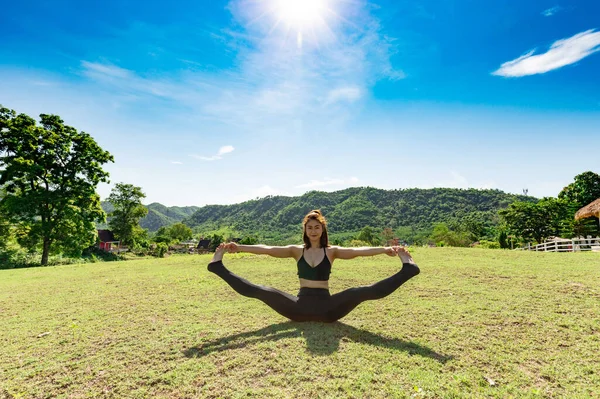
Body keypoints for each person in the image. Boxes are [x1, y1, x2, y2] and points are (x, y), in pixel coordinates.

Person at [207, 210, 420, 322]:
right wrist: (240, 247)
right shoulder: (296, 250)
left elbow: (357, 252)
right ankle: (217, 266)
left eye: (317, 227)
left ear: (322, 229)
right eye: (310, 227)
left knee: (363, 291)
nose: (313, 231)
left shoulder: (332, 251)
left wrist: (384, 250)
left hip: (328, 309)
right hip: (298, 308)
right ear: (305, 230)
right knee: (260, 291)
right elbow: (268, 249)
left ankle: (408, 269)